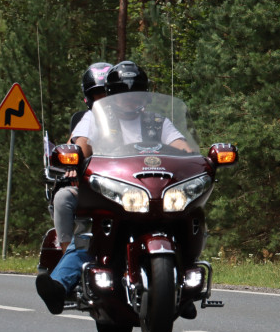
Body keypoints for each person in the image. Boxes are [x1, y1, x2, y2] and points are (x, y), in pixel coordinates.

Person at [35, 60, 191, 315]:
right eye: (122, 93)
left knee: (184, 216)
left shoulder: (157, 121)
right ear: (112, 95)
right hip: (106, 191)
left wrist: (198, 159)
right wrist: (74, 158)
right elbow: (81, 145)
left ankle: (182, 285)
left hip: (151, 191)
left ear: (144, 94)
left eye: (135, 92)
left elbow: (184, 147)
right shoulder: (94, 118)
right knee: (91, 237)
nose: (129, 98)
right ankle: (60, 285)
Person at [50, 62, 111, 253]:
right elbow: (79, 149)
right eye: (98, 94)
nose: (105, 99)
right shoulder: (92, 118)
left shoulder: (147, 119)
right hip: (96, 188)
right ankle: (67, 253)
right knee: (62, 198)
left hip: (136, 188)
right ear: (89, 97)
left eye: (109, 92)